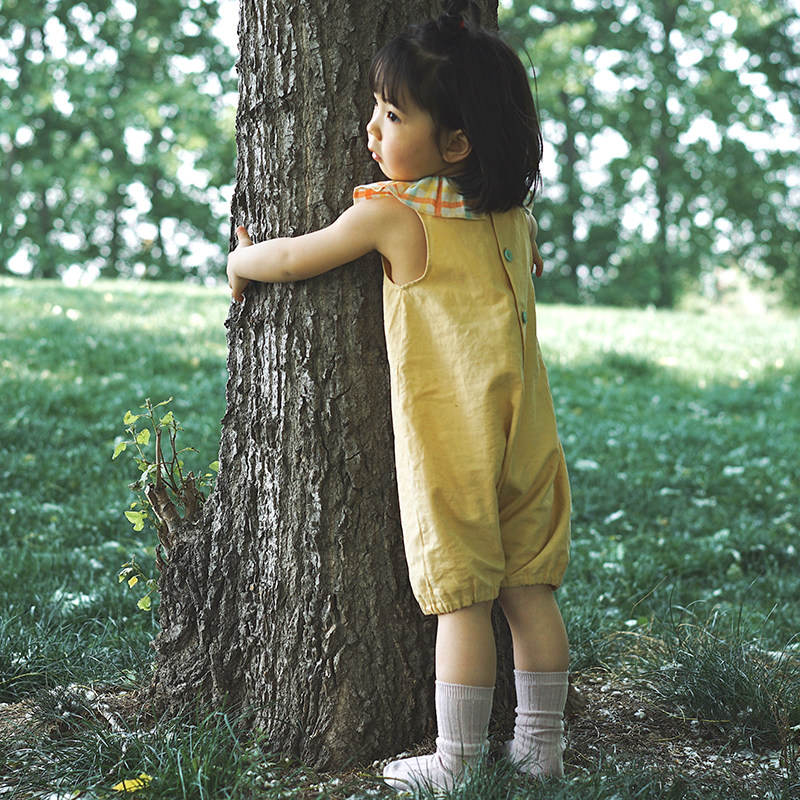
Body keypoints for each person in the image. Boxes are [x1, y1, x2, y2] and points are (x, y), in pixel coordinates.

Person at [226, 0, 571, 792]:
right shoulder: (512, 218)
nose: (370, 131)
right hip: (528, 433)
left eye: (389, 115)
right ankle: (542, 748)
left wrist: (243, 264)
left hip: (455, 438)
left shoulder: (394, 214)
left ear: (454, 142)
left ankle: (457, 763)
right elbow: (529, 275)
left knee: (462, 597)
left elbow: (294, 260)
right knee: (528, 590)